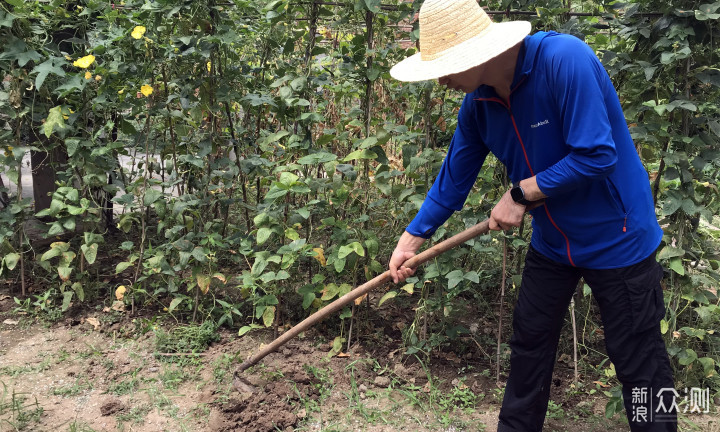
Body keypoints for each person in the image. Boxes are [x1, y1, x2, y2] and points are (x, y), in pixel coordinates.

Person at [387, 0, 677, 431]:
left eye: (446, 67)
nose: (441, 79)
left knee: (639, 362)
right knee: (529, 345)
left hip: (618, 239)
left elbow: (597, 155)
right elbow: (453, 180)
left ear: (476, 54)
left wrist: (520, 194)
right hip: (554, 244)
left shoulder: (564, 60)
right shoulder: (479, 103)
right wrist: (410, 240)